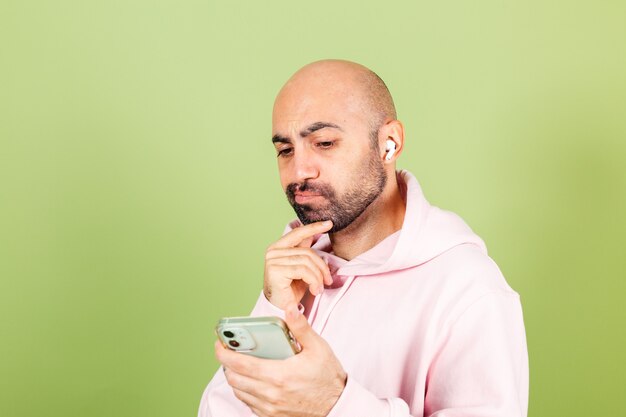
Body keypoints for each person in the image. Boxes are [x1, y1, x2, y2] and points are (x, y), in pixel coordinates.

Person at [198, 59, 529, 417]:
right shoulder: (295, 274)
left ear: (389, 143)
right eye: (285, 150)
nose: (299, 171)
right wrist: (274, 311)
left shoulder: (468, 288)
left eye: (324, 142)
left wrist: (335, 404)